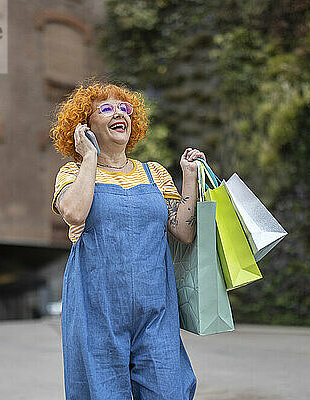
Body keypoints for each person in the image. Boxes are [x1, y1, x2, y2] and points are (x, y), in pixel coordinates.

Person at [50, 81, 204, 399]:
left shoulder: (154, 173)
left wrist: (188, 176)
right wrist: (89, 157)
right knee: (101, 391)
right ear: (85, 126)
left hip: (156, 309)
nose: (120, 113)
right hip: (96, 309)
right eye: (106, 108)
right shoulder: (73, 173)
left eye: (125, 108)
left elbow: (184, 231)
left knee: (170, 389)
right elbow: (75, 212)